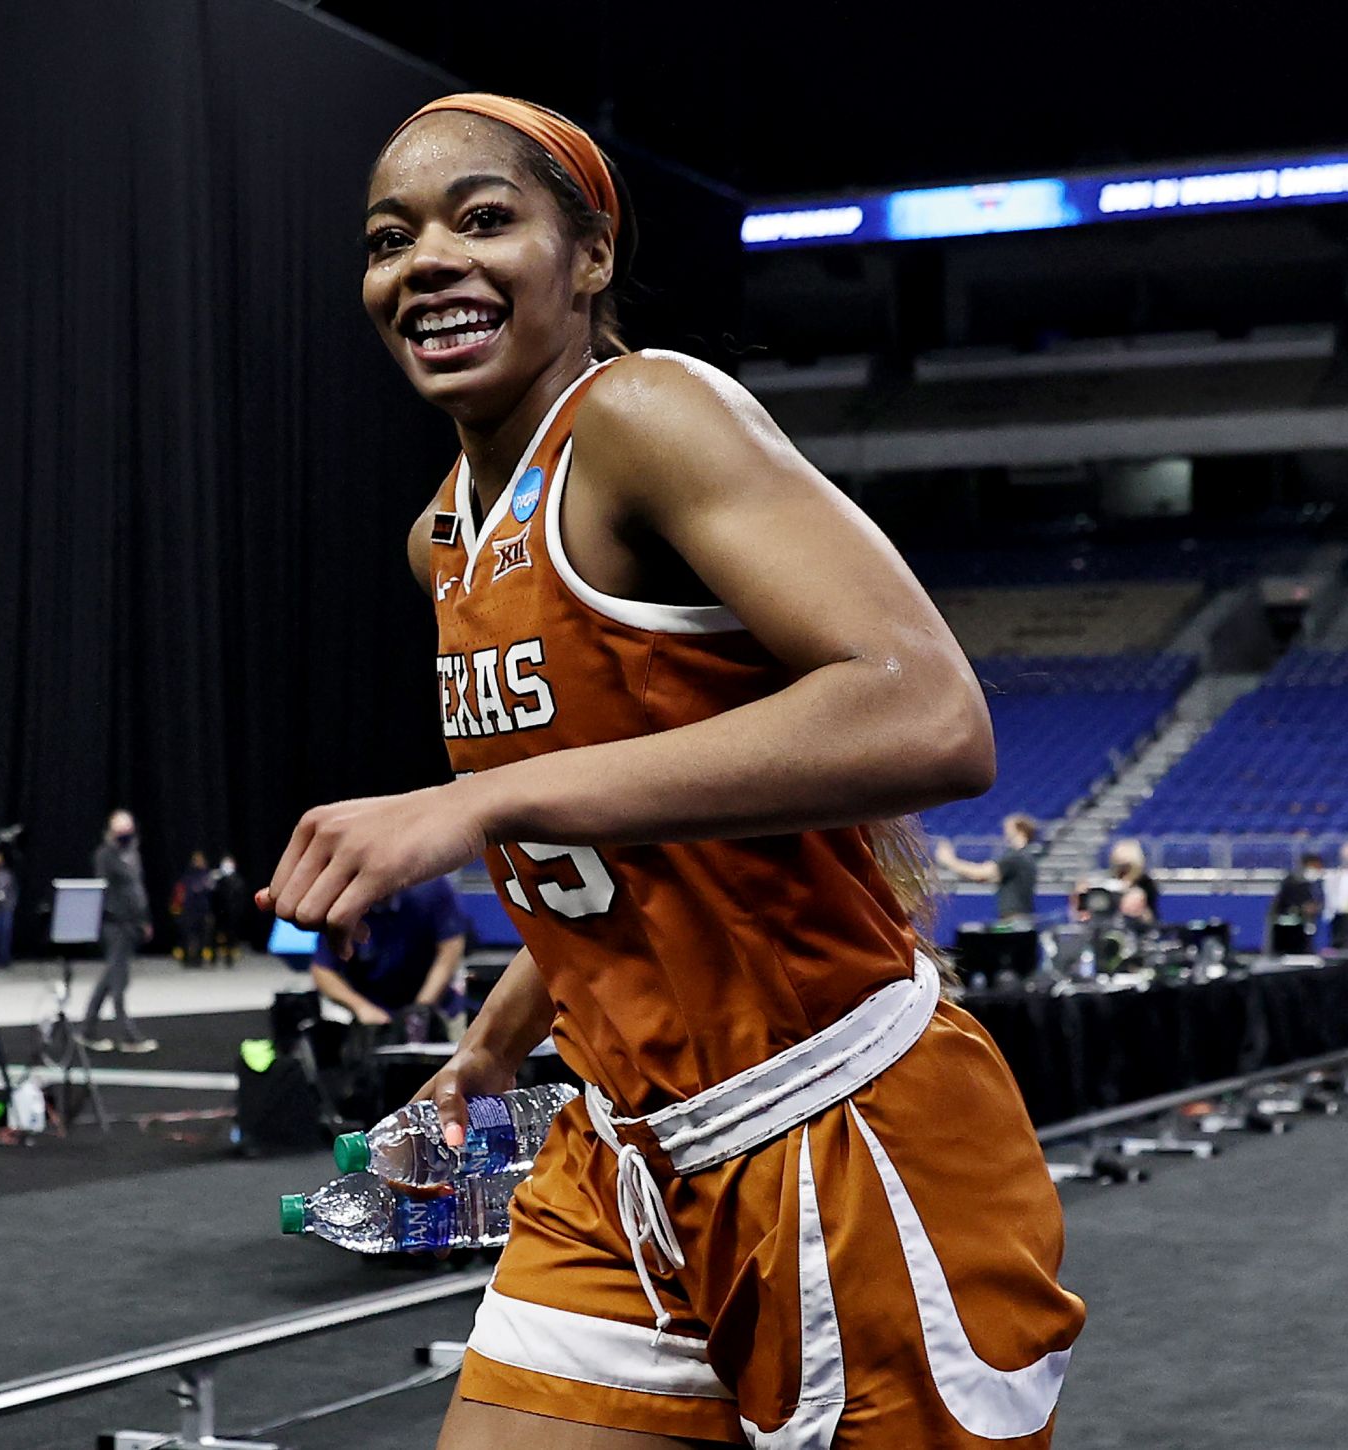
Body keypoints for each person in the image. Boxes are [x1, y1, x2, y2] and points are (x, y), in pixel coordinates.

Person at [261, 94, 1081, 1449]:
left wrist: (479, 798)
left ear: (587, 258)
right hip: (618, 1151)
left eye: (483, 219)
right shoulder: (446, 537)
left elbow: (936, 716)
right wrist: (492, 1043)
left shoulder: (642, 409)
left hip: (834, 1121)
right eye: (387, 239)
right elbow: (621, 845)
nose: (425, 263)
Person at [310, 876, 469, 1040]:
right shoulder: (343, 904)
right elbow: (322, 970)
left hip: (437, 1013)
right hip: (375, 1022)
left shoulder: (431, 887)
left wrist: (422, 1007)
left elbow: (450, 950)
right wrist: (361, 1008)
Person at [82, 810, 156, 1053]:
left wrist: (144, 920)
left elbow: (138, 889)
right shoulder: (105, 855)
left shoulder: (133, 853)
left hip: (132, 922)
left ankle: (87, 1029)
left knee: (109, 979)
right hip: (115, 923)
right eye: (121, 830)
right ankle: (128, 1034)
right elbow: (103, 889)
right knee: (118, 980)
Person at [934, 812, 1042, 921]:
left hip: (1014, 918)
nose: (1005, 833)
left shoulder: (1016, 857)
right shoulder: (1026, 856)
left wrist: (950, 861)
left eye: (1009, 828)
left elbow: (981, 873)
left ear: (1020, 831)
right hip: (1021, 917)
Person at [1074, 838, 1160, 925]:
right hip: (1107, 925)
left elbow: (1150, 917)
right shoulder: (1109, 881)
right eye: (1119, 866)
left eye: (1127, 866)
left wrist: (1136, 905)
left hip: (1135, 927)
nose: (1122, 870)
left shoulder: (1146, 883)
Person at [172, 851, 214, 967]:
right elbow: (184, 891)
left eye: (200, 860)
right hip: (189, 910)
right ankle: (187, 958)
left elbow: (211, 891)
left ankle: (199, 958)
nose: (198, 862)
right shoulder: (188, 875)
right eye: (196, 860)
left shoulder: (207, 875)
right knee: (189, 935)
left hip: (203, 910)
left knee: (202, 935)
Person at [208, 854, 249, 966]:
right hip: (218, 912)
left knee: (230, 936)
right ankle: (213, 957)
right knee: (214, 935)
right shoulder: (217, 879)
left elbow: (240, 897)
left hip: (231, 913)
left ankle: (229, 958)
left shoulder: (237, 880)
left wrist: (238, 911)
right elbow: (211, 894)